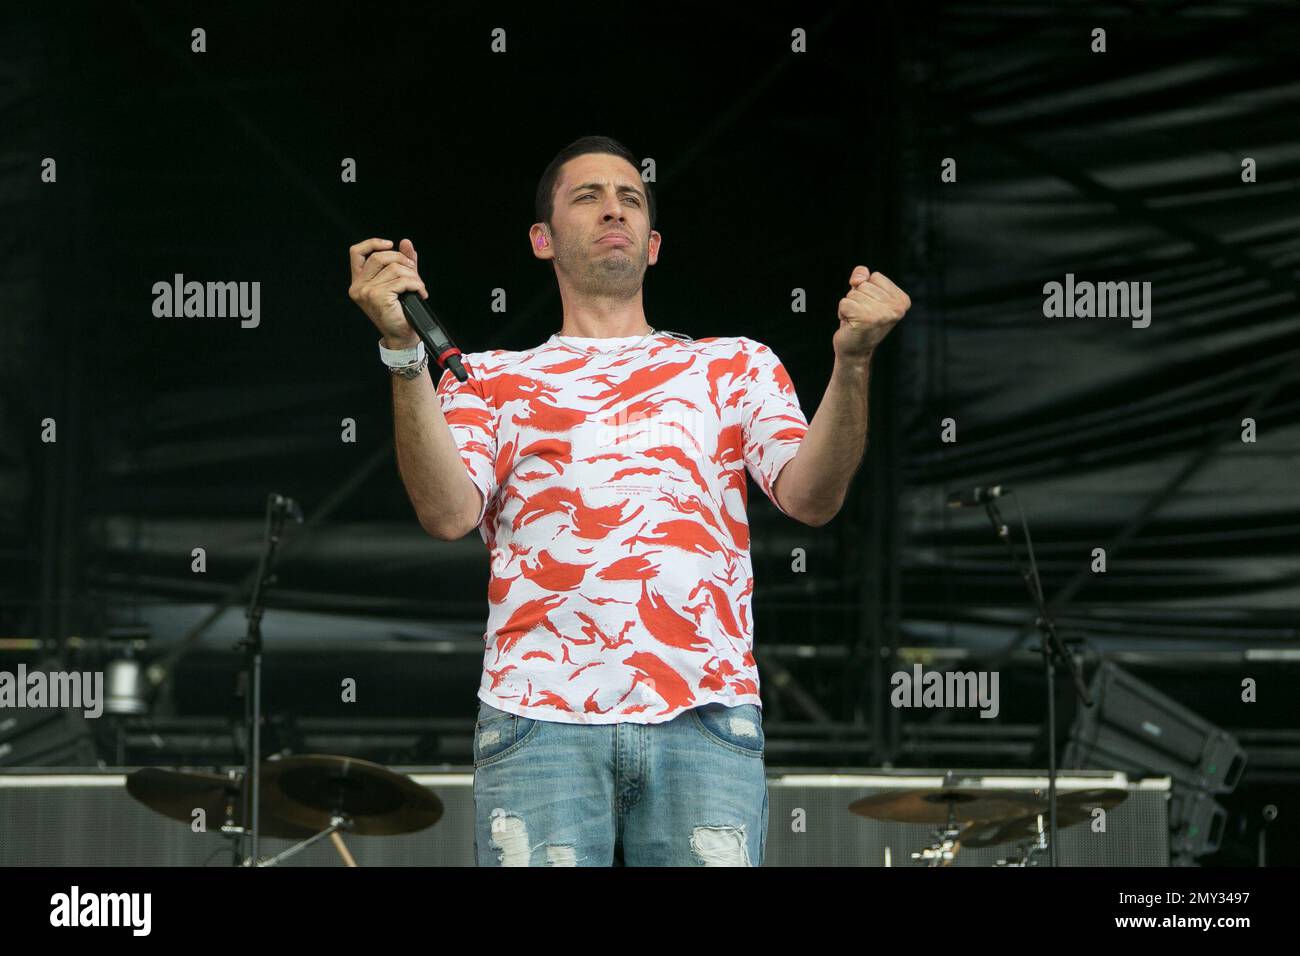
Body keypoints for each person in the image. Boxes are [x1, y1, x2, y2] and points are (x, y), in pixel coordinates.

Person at [347, 135, 909, 866]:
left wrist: (854, 360)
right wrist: (403, 355)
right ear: (541, 240)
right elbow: (448, 513)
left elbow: (812, 498)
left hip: (705, 717)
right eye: (589, 196)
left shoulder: (735, 365)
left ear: (653, 246)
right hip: (537, 718)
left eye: (632, 198)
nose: (614, 208)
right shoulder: (486, 380)